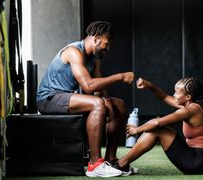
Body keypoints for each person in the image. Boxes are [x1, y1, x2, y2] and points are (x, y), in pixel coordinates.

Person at [36, 21, 134, 178]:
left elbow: (98, 82)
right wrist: (120, 77)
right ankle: (95, 164)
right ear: (96, 38)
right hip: (49, 98)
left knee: (119, 105)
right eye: (106, 44)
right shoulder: (74, 52)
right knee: (97, 103)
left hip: (69, 97)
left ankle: (111, 159)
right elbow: (88, 86)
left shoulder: (95, 58)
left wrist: (106, 99)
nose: (107, 48)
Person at [112, 77, 203, 175]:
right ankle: (123, 163)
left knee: (158, 130)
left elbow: (158, 122)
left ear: (188, 97)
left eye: (177, 92)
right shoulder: (190, 106)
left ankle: (121, 164)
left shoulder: (191, 110)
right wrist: (150, 85)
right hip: (196, 159)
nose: (174, 95)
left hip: (197, 163)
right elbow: (164, 96)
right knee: (158, 129)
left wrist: (136, 130)